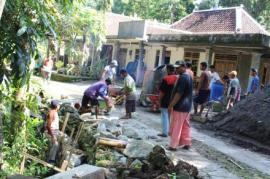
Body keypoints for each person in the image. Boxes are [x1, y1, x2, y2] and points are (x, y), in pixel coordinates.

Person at [167, 61, 193, 151]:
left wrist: (171, 105)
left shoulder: (183, 78)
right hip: (187, 106)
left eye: (178, 68)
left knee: (177, 125)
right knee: (185, 125)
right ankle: (187, 143)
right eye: (176, 68)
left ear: (183, 67)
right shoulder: (189, 76)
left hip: (180, 106)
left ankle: (173, 145)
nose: (176, 69)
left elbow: (179, 94)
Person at [158, 64, 178, 137]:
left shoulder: (166, 79)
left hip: (165, 100)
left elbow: (162, 92)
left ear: (168, 70)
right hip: (173, 100)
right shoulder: (178, 78)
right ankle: (169, 131)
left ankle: (164, 132)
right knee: (170, 116)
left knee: (164, 116)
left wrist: (159, 100)